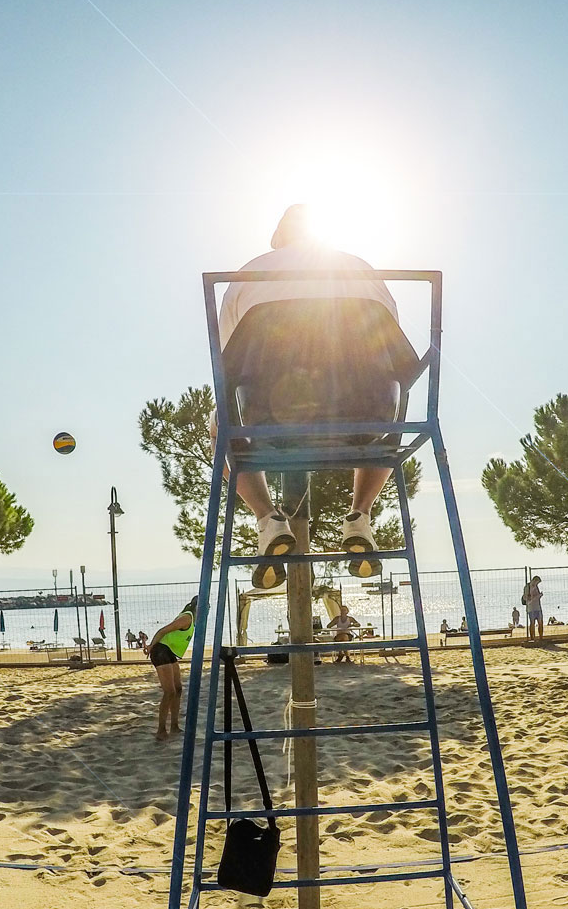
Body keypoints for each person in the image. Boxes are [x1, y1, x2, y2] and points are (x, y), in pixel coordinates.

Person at [215, 205, 418, 589]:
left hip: (269, 414)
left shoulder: (249, 275)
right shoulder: (361, 270)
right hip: (367, 413)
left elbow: (226, 365)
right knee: (396, 408)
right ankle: (359, 517)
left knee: (218, 425)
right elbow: (393, 359)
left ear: (279, 240)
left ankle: (268, 521)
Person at [147, 598, 196, 741]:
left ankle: (174, 726)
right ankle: (161, 730)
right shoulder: (187, 618)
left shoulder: (193, 620)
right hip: (160, 651)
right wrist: (150, 646)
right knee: (169, 692)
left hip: (169, 652)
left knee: (178, 689)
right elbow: (162, 631)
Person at [523, 575, 545, 641]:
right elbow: (527, 598)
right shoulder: (527, 587)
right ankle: (532, 637)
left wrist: (539, 596)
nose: (537, 584)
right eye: (537, 582)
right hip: (531, 608)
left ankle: (541, 637)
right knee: (532, 623)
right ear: (534, 580)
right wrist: (537, 596)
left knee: (540, 622)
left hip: (537, 607)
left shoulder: (536, 587)